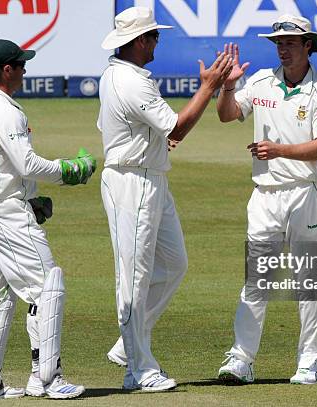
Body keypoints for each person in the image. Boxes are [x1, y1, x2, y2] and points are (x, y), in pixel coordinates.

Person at [98, 6, 233, 392]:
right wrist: (208, 86)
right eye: (154, 36)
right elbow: (178, 126)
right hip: (133, 181)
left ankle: (128, 347)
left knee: (174, 264)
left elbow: (146, 130)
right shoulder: (129, 81)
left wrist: (157, 140)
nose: (157, 41)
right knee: (134, 278)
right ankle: (139, 370)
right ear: (140, 41)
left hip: (150, 174)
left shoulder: (120, 74)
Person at [0, 39, 96, 399]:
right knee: (46, 288)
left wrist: (32, 197)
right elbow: (26, 164)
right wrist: (72, 170)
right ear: (6, 70)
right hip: (5, 211)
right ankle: (47, 378)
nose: (25, 71)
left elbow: (1, 165)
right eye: (21, 66)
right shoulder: (7, 112)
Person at [215, 15, 317, 385]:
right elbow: (228, 116)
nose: (282, 49)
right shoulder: (260, 82)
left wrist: (280, 150)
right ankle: (242, 359)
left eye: (289, 42)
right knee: (257, 279)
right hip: (265, 196)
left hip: (307, 192)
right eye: (278, 43)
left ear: (307, 46)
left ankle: (311, 362)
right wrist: (226, 87)